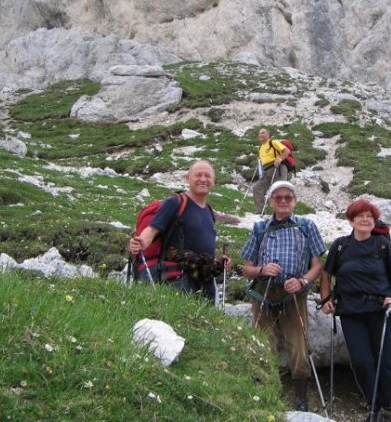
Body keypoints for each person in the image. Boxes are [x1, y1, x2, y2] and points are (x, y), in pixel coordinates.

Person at [319, 198, 391, 422]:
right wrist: (326, 299)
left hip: (380, 309)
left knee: (384, 359)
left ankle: (386, 405)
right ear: (351, 220)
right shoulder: (340, 246)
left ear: (374, 220)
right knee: (361, 360)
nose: (365, 219)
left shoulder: (382, 245)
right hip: (350, 311)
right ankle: (374, 402)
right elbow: (325, 274)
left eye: (370, 216)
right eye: (360, 216)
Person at [241, 181, 326, 411]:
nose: (283, 201)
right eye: (278, 197)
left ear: (295, 201)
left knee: (298, 344)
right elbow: (246, 268)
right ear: (270, 201)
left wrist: (302, 281)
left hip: (294, 294)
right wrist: (261, 270)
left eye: (288, 197)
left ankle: (301, 398)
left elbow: (317, 265)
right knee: (264, 342)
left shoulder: (307, 226)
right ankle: (267, 391)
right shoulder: (260, 228)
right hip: (263, 292)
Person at [129, 160, 231, 303]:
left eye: (207, 176)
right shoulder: (175, 202)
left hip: (204, 282)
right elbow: (152, 229)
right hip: (177, 281)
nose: (203, 179)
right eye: (198, 175)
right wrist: (141, 242)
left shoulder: (208, 210)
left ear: (214, 181)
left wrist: (219, 263)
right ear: (187, 179)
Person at [252, 128, 291, 214]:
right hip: (266, 171)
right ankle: (260, 211)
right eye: (259, 133)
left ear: (268, 135)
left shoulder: (273, 142)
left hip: (277, 169)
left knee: (279, 191)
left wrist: (280, 159)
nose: (260, 134)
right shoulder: (261, 147)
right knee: (257, 188)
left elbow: (287, 151)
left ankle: (284, 213)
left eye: (263, 133)